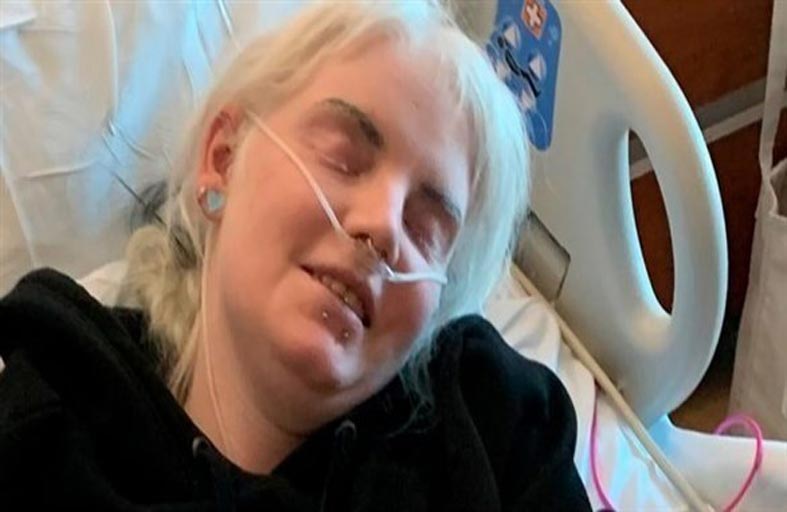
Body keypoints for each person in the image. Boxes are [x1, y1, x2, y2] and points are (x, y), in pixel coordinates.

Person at [0, 1, 591, 509]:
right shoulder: (50, 422)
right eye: (344, 158)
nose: (383, 229)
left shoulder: (497, 431)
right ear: (223, 159)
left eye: (425, 226)